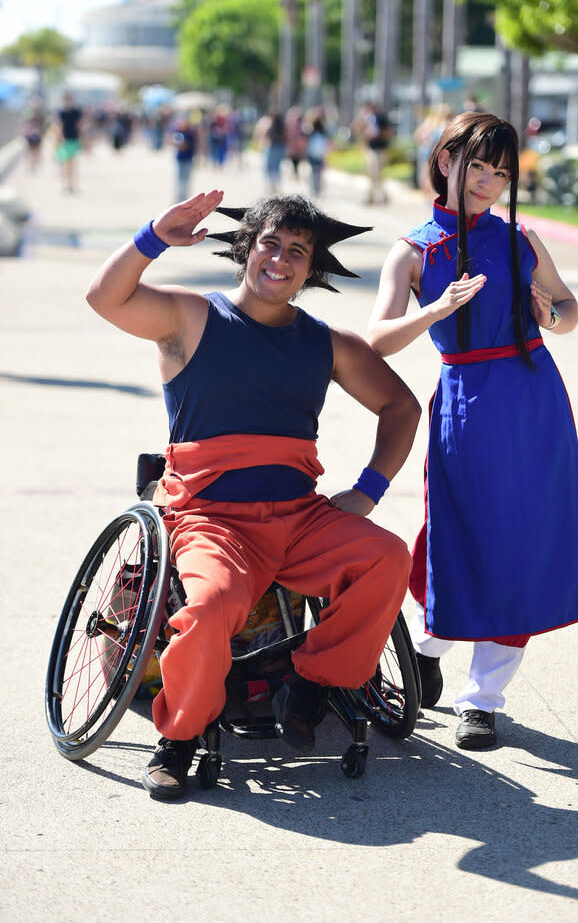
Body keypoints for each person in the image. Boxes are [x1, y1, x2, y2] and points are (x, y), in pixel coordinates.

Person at [86, 190, 421, 799]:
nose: (281, 259)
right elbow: (104, 298)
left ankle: (313, 681)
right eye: (270, 242)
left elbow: (400, 405)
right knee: (210, 609)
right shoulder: (190, 317)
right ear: (246, 247)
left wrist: (369, 490)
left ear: (312, 268)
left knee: (388, 556)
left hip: (299, 516)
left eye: (298, 250)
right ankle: (181, 736)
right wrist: (154, 237)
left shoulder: (327, 343)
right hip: (211, 521)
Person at [367, 111, 578, 751]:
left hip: (533, 400)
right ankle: (430, 635)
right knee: (458, 529)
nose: (488, 182)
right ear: (445, 162)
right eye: (477, 167)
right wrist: (436, 310)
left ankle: (483, 700)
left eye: (501, 172)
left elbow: (568, 308)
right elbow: (375, 340)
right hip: (465, 398)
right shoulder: (412, 252)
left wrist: (553, 314)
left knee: (521, 540)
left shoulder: (521, 239)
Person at [352, 101, 393, 205]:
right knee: (371, 173)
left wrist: (377, 135)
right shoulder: (366, 119)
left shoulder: (382, 118)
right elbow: (356, 129)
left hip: (381, 149)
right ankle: (371, 196)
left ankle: (381, 196)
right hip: (371, 149)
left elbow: (388, 132)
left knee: (379, 174)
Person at [55, 91, 83, 193]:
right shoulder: (61, 112)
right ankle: (65, 185)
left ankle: (71, 185)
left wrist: (81, 138)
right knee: (65, 163)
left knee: (72, 163)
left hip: (74, 139)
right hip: (65, 140)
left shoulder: (76, 112)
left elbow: (79, 126)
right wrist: (58, 139)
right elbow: (59, 127)